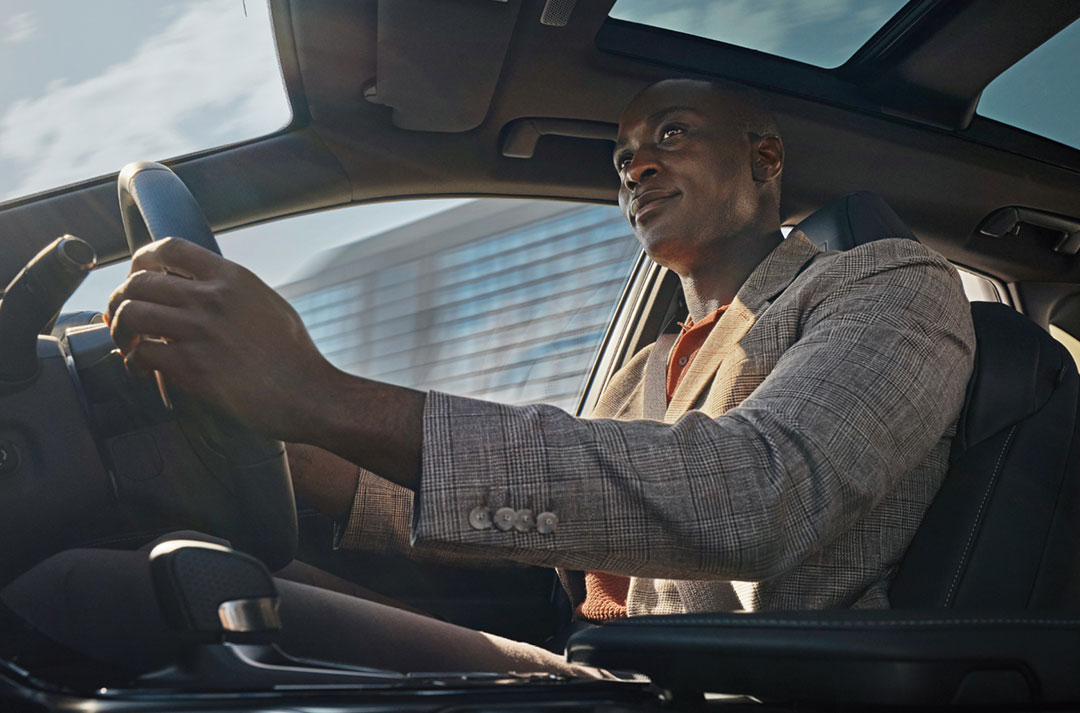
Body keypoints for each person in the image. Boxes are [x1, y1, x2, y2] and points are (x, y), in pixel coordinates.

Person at [6, 79, 975, 675]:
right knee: (172, 579)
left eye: (670, 135)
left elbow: (754, 494)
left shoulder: (884, 283)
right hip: (617, 660)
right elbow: (548, 524)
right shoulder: (646, 363)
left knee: (119, 598)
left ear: (765, 157)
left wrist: (318, 390)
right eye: (622, 156)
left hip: (738, 686)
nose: (636, 168)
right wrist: (290, 443)